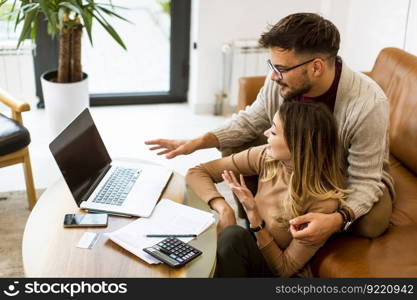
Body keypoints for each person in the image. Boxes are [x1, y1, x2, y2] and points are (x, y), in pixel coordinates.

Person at [146, 13, 394, 243]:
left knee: (371, 222)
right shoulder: (280, 80)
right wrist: (199, 142)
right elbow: (252, 120)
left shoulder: (368, 104)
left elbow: (365, 180)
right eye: (272, 66)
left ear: (316, 67)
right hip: (296, 165)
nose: (274, 76)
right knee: (236, 141)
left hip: (338, 174)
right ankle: (253, 224)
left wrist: (337, 218)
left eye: (282, 69)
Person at [186, 101, 350, 277]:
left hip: (282, 275)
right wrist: (224, 209)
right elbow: (197, 172)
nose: (265, 134)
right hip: (255, 252)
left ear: (296, 144)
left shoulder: (323, 202)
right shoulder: (267, 157)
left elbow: (284, 269)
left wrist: (256, 220)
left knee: (232, 238)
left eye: (273, 132)